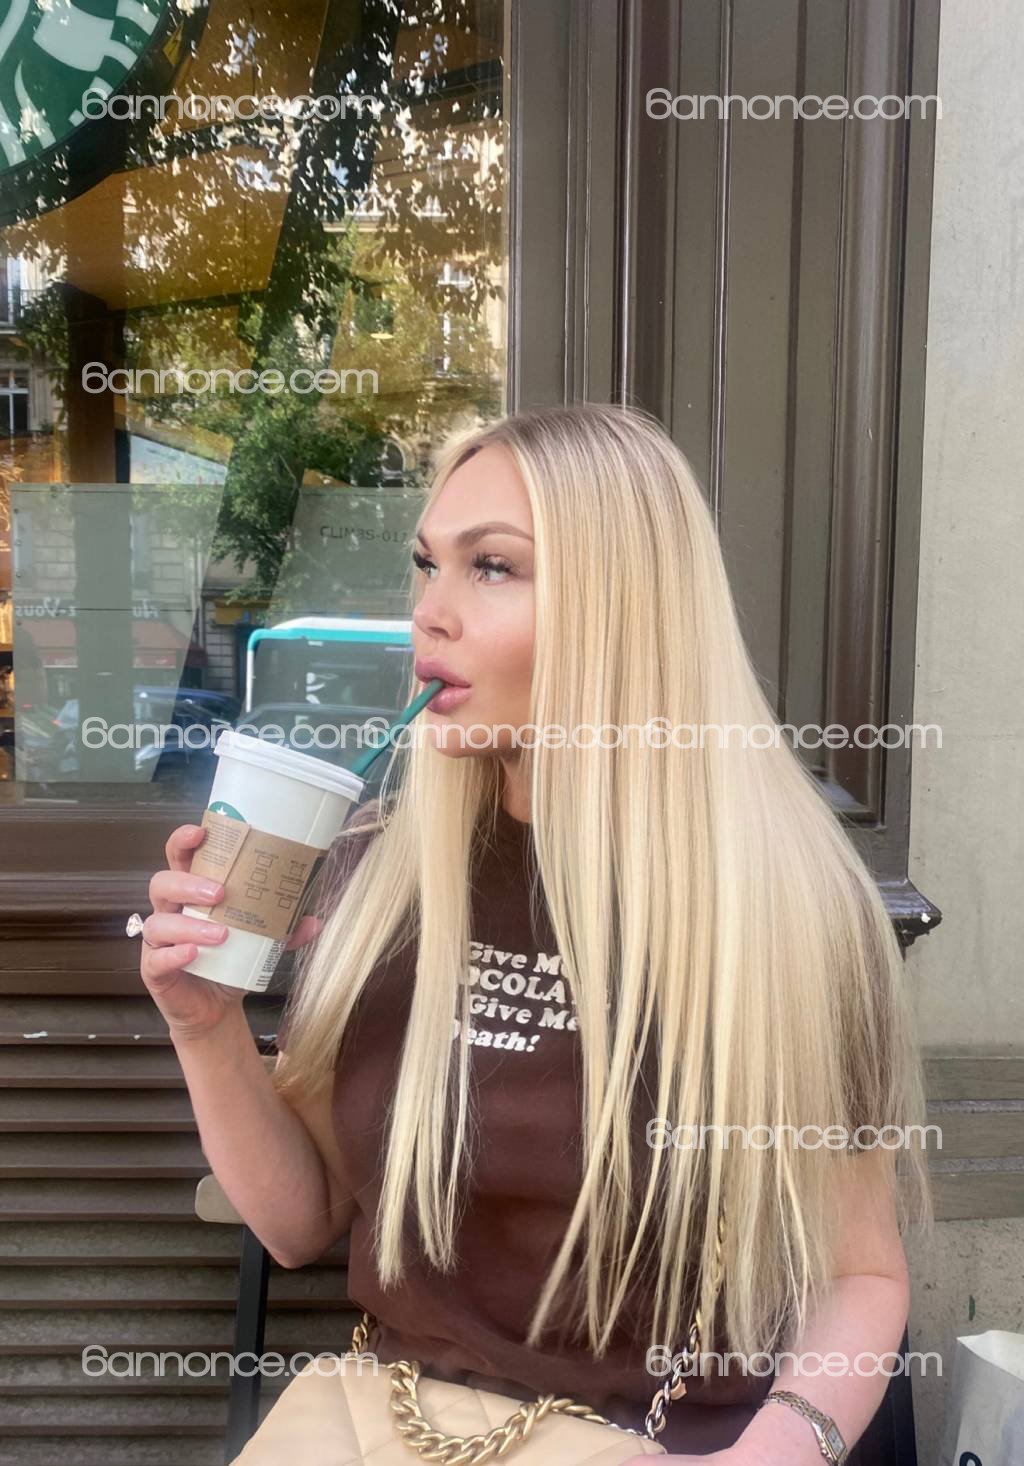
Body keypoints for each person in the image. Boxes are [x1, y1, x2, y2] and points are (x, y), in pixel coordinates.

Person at [139, 403, 933, 1463]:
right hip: (397, 1425)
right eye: (427, 565)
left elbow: (860, 1274)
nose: (430, 613)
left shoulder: (783, 910)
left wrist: (767, 1455)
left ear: (623, 610)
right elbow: (297, 1220)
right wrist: (205, 1025)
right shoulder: (379, 870)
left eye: (493, 567)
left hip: (662, 1442)